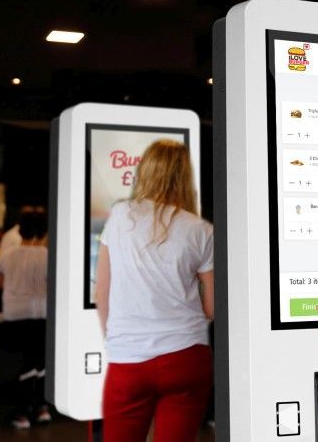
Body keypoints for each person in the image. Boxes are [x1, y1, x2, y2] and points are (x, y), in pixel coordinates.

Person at [95, 139, 214, 442]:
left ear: (145, 172)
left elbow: (103, 291)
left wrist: (117, 338)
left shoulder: (121, 216)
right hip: (186, 356)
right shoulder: (200, 230)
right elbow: (214, 307)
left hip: (128, 360)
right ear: (185, 176)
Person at [0, 208, 51, 429]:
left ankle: (23, 413)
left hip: (15, 315)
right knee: (40, 363)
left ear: (20, 229)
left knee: (24, 362)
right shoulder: (50, 256)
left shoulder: (8, 255)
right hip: (43, 314)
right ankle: (42, 408)